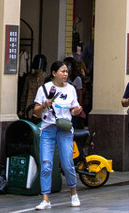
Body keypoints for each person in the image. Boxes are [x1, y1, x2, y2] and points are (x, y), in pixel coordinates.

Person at [31, 61, 84, 209]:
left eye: (67, 72)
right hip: (48, 129)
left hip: (65, 129)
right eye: (62, 71)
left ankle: (74, 194)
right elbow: (36, 112)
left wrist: (77, 111)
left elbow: (73, 110)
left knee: (67, 163)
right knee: (46, 164)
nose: (65, 74)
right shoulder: (44, 89)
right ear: (54, 73)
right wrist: (44, 105)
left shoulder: (71, 89)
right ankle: (45, 199)